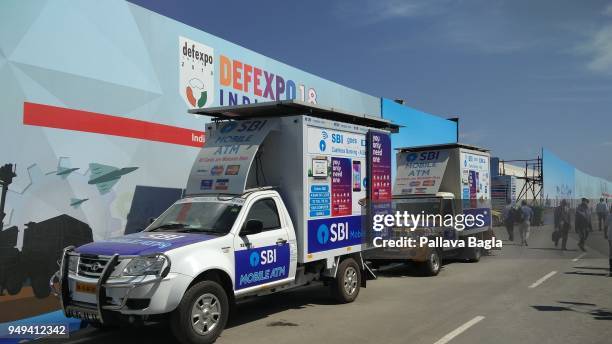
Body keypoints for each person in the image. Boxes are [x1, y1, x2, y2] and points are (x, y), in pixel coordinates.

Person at [607, 207, 612, 277]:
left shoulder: (609, 215)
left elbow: (605, 225)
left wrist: (605, 234)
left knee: (611, 253)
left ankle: (611, 271)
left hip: (611, 236)